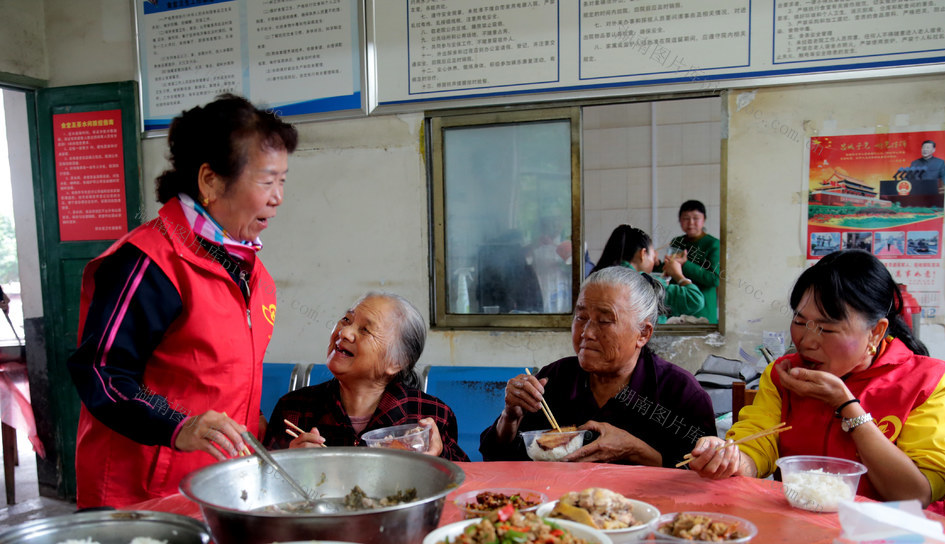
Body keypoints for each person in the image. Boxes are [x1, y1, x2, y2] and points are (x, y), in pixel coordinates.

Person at [69, 94, 298, 508]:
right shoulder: (150, 261)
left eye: (282, 180)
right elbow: (101, 371)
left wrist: (276, 445)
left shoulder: (252, 273)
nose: (278, 196)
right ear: (210, 180)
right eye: (267, 181)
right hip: (140, 498)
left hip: (220, 490)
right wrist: (178, 426)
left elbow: (224, 389)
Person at [688, 250, 945, 514]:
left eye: (827, 329)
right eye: (800, 321)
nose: (806, 342)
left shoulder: (931, 381)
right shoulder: (783, 374)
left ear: (876, 332)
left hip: (894, 543)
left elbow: (917, 493)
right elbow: (758, 442)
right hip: (801, 528)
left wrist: (847, 405)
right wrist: (732, 459)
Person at [480, 266, 716, 466]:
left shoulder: (681, 394)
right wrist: (510, 417)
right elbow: (496, 459)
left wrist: (635, 450)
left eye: (604, 320)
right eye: (580, 317)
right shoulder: (554, 379)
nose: (586, 332)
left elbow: (702, 477)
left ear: (643, 333)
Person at [263, 292, 469, 462]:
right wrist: (289, 462)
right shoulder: (294, 408)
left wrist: (440, 455)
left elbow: (465, 482)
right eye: (346, 320)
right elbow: (264, 483)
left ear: (396, 362)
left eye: (365, 330)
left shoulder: (429, 417)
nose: (344, 333)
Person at [591, 224, 704, 321]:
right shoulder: (644, 283)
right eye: (652, 255)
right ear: (642, 253)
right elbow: (695, 300)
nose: (655, 262)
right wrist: (678, 275)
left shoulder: (598, 277)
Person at [668, 200, 720, 322]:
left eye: (696, 218)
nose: (691, 223)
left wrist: (685, 264)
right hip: (678, 310)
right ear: (680, 221)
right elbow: (671, 271)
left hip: (703, 311)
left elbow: (714, 279)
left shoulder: (713, 244)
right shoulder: (677, 241)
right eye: (686, 218)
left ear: (704, 220)